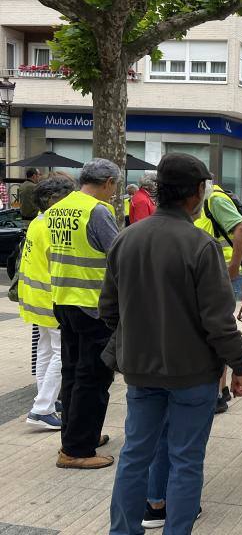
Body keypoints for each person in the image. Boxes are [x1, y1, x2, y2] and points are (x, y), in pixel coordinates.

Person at [101, 152, 242, 535]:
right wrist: (239, 365)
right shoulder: (201, 246)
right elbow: (218, 321)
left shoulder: (125, 240)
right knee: (186, 461)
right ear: (197, 192)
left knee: (135, 456)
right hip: (193, 374)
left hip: (140, 369)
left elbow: (108, 309)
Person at [48, 159, 120, 469]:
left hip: (63, 301)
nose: (114, 193)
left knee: (73, 373)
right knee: (93, 377)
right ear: (108, 183)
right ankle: (77, 450)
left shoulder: (59, 208)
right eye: (114, 186)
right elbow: (119, 253)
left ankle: (77, 435)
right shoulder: (98, 211)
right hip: (92, 307)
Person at [20, 173, 76, 430]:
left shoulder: (36, 223)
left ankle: (46, 401)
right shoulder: (53, 226)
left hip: (33, 298)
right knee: (60, 354)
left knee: (45, 351)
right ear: (56, 200)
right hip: (51, 298)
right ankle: (42, 409)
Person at [194, 179, 242, 413]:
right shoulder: (205, 200)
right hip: (212, 272)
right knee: (214, 329)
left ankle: (218, 392)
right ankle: (222, 388)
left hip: (222, 273)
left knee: (216, 329)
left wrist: (233, 267)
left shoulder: (214, 199)